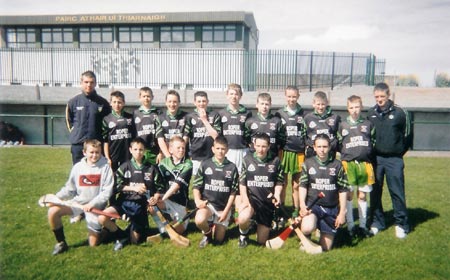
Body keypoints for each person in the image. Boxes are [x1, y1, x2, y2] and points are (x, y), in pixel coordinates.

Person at [47, 139, 114, 255]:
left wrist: (91, 204)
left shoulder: (105, 167)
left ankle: (107, 231)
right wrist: (55, 197)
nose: (94, 155)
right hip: (78, 204)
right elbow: (70, 189)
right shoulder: (78, 167)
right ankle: (61, 243)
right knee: (52, 211)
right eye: (91, 152)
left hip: (95, 208)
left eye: (97, 152)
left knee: (93, 244)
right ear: (84, 152)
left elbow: (106, 193)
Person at [98, 138, 163, 251]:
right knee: (102, 217)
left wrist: (155, 198)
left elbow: (160, 188)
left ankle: (130, 230)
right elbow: (116, 186)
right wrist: (134, 188)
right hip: (123, 203)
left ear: (145, 151)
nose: (138, 152)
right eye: (136, 149)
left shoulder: (151, 168)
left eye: (141, 150)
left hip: (140, 207)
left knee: (135, 241)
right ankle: (122, 235)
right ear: (130, 150)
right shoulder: (124, 167)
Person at [367, 82, 412, 239]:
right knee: (375, 192)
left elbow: (408, 137)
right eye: (377, 97)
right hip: (376, 159)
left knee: (397, 192)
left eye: (382, 97)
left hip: (394, 159)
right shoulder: (370, 113)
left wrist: (398, 152)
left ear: (388, 95)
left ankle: (401, 224)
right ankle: (377, 222)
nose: (379, 100)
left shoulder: (400, 113)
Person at [298, 134, 349, 251]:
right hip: (313, 206)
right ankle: (306, 238)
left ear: (330, 147)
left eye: (325, 146)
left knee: (325, 248)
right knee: (306, 227)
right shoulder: (308, 163)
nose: (322, 150)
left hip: (331, 208)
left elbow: (343, 189)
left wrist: (341, 213)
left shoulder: (337, 165)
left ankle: (321, 227)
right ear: (314, 148)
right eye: (319, 146)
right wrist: (302, 205)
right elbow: (303, 185)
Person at [337, 95, 375, 236]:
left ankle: (363, 226)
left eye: (357, 107)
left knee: (363, 195)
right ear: (347, 108)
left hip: (364, 165)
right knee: (348, 195)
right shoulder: (342, 125)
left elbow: (373, 141)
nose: (354, 110)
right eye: (351, 107)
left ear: (361, 107)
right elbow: (339, 144)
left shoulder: (367, 124)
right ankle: (351, 226)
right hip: (349, 165)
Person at [237, 133, 284, 248]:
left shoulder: (276, 161)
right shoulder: (247, 159)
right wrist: (245, 200)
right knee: (242, 218)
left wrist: (277, 194)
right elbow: (242, 183)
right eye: (258, 146)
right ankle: (243, 235)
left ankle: (260, 222)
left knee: (261, 242)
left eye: (263, 146)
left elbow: (279, 181)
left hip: (266, 202)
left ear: (268, 146)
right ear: (254, 145)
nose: (260, 149)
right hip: (252, 199)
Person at [193, 135, 239, 248]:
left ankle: (216, 225)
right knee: (199, 220)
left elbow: (233, 193)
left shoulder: (232, 167)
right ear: (213, 149)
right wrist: (197, 201)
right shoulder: (205, 164)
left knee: (219, 240)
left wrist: (226, 211)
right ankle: (207, 234)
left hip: (223, 207)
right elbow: (196, 186)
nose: (220, 151)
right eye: (218, 148)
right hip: (208, 205)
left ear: (227, 150)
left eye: (223, 149)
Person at [275, 85, 307, 219]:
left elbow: (306, 134)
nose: (291, 99)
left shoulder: (303, 113)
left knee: (296, 184)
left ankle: (296, 209)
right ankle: (281, 209)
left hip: (298, 152)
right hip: (284, 152)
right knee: (282, 182)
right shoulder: (279, 113)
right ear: (285, 96)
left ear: (298, 96)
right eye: (289, 96)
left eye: (294, 96)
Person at [66, 70, 111, 165]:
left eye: (91, 82)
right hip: (78, 144)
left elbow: (108, 122)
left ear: (95, 84)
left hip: (95, 145)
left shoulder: (103, 103)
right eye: (86, 82)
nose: (89, 85)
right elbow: (68, 121)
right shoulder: (73, 102)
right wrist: (77, 133)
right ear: (81, 83)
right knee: (79, 173)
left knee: (96, 173)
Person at [153, 136, 193, 234]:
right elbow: (157, 184)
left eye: (183, 148)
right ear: (170, 150)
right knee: (152, 205)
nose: (181, 150)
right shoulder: (163, 163)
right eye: (178, 148)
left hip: (181, 205)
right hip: (167, 201)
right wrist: (156, 197)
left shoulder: (188, 164)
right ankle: (162, 228)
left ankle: (168, 228)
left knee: (178, 231)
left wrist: (163, 198)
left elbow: (176, 186)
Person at [183, 91, 221, 175]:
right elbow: (185, 137)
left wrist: (204, 119)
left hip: (211, 155)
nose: (201, 103)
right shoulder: (190, 117)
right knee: (196, 183)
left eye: (204, 101)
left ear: (207, 101)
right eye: (199, 101)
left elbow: (216, 137)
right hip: (196, 156)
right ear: (194, 102)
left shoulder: (214, 115)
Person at [244, 92, 284, 160]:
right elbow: (246, 138)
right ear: (257, 105)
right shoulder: (250, 121)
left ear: (270, 105)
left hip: (272, 157)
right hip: (254, 158)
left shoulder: (277, 121)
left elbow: (281, 139)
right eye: (262, 104)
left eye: (267, 104)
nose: (264, 107)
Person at [102, 91, 133, 172]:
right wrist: (107, 157)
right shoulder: (106, 119)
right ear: (110, 103)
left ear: (123, 103)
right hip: (113, 156)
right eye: (114, 102)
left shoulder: (130, 117)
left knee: (126, 178)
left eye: (119, 102)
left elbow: (134, 137)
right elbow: (105, 141)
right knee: (113, 179)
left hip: (127, 155)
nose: (117, 104)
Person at [304, 91, 340, 159]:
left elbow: (339, 136)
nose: (320, 107)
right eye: (318, 104)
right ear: (313, 104)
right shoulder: (307, 118)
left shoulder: (335, 117)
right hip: (313, 152)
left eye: (323, 104)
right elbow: (303, 135)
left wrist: (334, 146)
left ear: (327, 103)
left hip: (330, 152)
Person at [156, 90, 188, 161]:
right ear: (166, 102)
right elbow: (160, 140)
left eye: (175, 102)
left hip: (181, 156)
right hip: (166, 156)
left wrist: (179, 154)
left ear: (179, 103)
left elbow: (185, 138)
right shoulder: (160, 118)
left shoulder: (186, 117)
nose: (172, 104)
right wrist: (168, 157)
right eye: (169, 101)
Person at [133, 87, 161, 165]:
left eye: (148, 96)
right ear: (140, 98)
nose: (146, 98)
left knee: (154, 172)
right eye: (144, 96)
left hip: (154, 151)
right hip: (140, 150)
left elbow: (162, 134)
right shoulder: (135, 113)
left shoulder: (158, 112)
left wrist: (160, 152)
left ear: (152, 97)